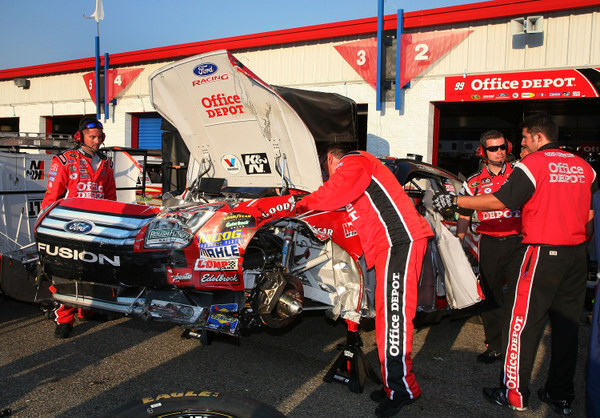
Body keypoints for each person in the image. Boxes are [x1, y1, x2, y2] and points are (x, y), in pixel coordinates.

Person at [433, 112, 596, 414]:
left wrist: (456, 201)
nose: (520, 144)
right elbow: (589, 215)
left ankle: (514, 394)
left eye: (524, 138)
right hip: (576, 255)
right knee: (566, 328)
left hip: (542, 251)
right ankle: (560, 394)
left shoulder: (532, 164)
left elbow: (501, 200)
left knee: (522, 325)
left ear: (538, 137)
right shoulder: (583, 166)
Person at [296, 143, 434, 417]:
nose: (327, 175)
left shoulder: (354, 160)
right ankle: (394, 383)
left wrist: (300, 203)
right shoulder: (361, 168)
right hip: (391, 245)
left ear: (331, 158)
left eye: (325, 168)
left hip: (398, 242)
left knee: (394, 318)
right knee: (386, 317)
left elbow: (334, 192)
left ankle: (403, 390)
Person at [41, 116, 117, 339]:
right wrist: (47, 226)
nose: (97, 141)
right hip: (69, 226)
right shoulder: (64, 160)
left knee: (94, 270)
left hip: (97, 225)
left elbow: (111, 197)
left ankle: (88, 309)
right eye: (92, 137)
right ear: (80, 136)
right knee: (67, 272)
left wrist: (112, 223)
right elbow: (52, 197)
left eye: (100, 137)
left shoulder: (106, 163)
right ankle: (64, 318)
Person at [456, 130, 524, 364]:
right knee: (491, 296)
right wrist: (459, 241)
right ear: (483, 152)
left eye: (502, 147)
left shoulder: (519, 174)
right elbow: (464, 213)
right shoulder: (473, 181)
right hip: (490, 243)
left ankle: (516, 345)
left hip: (518, 242)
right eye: (493, 149)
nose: (499, 152)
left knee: (518, 296)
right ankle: (495, 346)